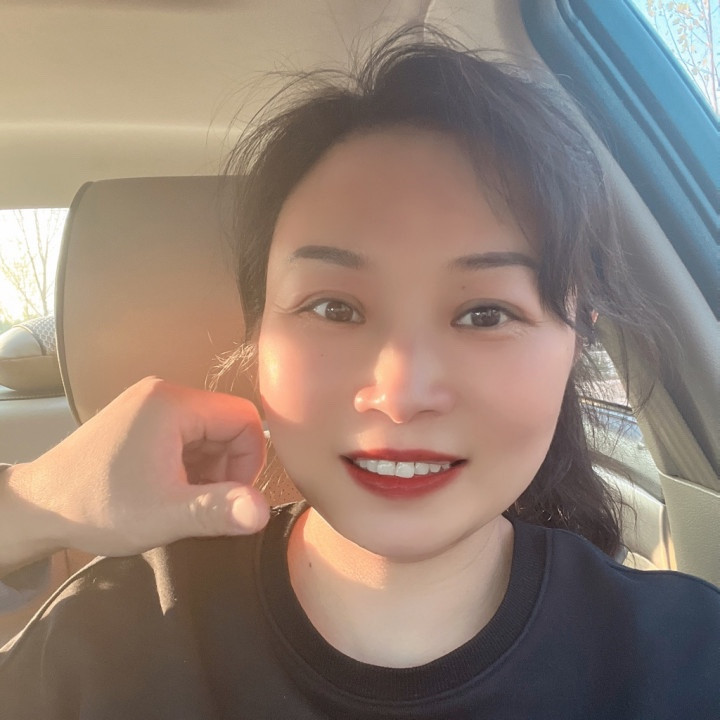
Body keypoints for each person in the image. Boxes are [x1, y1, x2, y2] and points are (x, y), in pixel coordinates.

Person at [0, 29, 718, 719]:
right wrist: (30, 505)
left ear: (578, 338)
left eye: (485, 315)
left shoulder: (687, 661)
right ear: (259, 336)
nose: (401, 395)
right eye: (334, 308)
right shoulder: (105, 638)